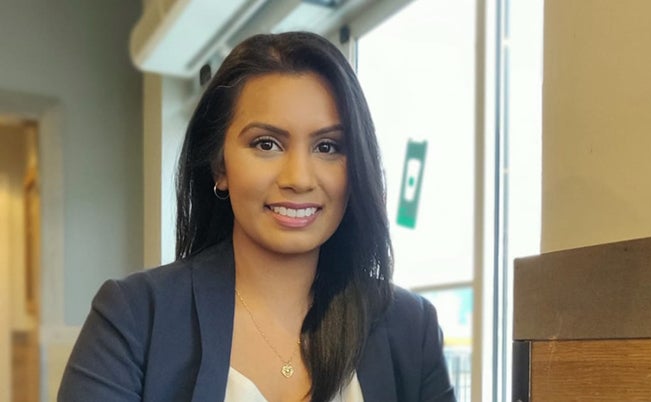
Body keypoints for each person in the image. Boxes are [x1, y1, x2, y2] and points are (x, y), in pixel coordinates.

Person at [58, 31, 456, 402]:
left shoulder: (409, 327)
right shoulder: (134, 317)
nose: (298, 178)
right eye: (266, 144)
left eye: (328, 147)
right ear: (220, 166)